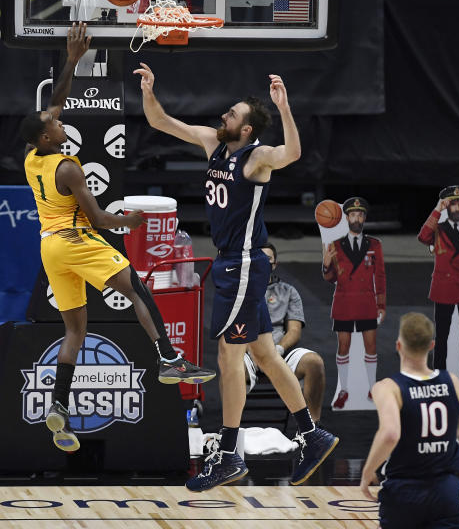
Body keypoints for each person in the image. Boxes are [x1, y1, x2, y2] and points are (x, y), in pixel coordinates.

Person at [134, 61, 338, 491]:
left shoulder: (256, 158)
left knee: (229, 357)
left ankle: (227, 454)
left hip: (243, 263)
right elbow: (159, 121)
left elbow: (293, 154)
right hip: (234, 263)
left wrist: (284, 109)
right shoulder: (213, 143)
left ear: (246, 130)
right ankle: (311, 435)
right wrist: (150, 89)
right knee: (264, 355)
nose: (223, 116)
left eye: (232, 114)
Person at [22, 24, 214, 453]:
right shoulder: (67, 168)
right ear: (44, 137)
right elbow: (98, 219)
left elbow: (55, 102)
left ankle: (59, 405)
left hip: (49, 247)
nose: (58, 120)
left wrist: (71, 59)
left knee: (75, 331)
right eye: (50, 124)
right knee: (139, 290)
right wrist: (130, 221)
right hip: (75, 239)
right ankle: (168, 358)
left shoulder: (33, 158)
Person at [360, 312, 459, 528]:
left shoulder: (388, 387)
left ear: (398, 345)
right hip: (446, 490)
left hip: (405, 490)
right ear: (431, 345)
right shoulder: (452, 381)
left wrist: (368, 472)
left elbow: (390, 433)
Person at [242, 242, 326, 420]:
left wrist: (278, 350)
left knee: (314, 363)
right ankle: (231, 429)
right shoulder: (240, 292)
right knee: (231, 366)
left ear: (274, 264)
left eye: (268, 260)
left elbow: (294, 330)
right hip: (249, 354)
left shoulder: (289, 292)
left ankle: (313, 429)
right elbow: (236, 329)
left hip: (281, 355)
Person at [417, 185, 459, 393]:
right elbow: (422, 237)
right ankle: (439, 376)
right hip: (445, 287)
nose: (457, 207)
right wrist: (438, 208)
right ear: (448, 207)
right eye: (453, 203)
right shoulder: (438, 229)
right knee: (442, 336)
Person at [322, 197, 387, 408]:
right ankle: (343, 390)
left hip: (367, 303)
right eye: (353, 215)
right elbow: (330, 279)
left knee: (371, 346)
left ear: (364, 218)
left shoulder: (375, 245)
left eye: (360, 215)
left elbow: (381, 277)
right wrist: (326, 264)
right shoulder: (335, 245)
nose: (356, 218)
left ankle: (372, 387)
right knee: (343, 346)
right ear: (347, 218)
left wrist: (381, 305)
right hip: (344, 303)